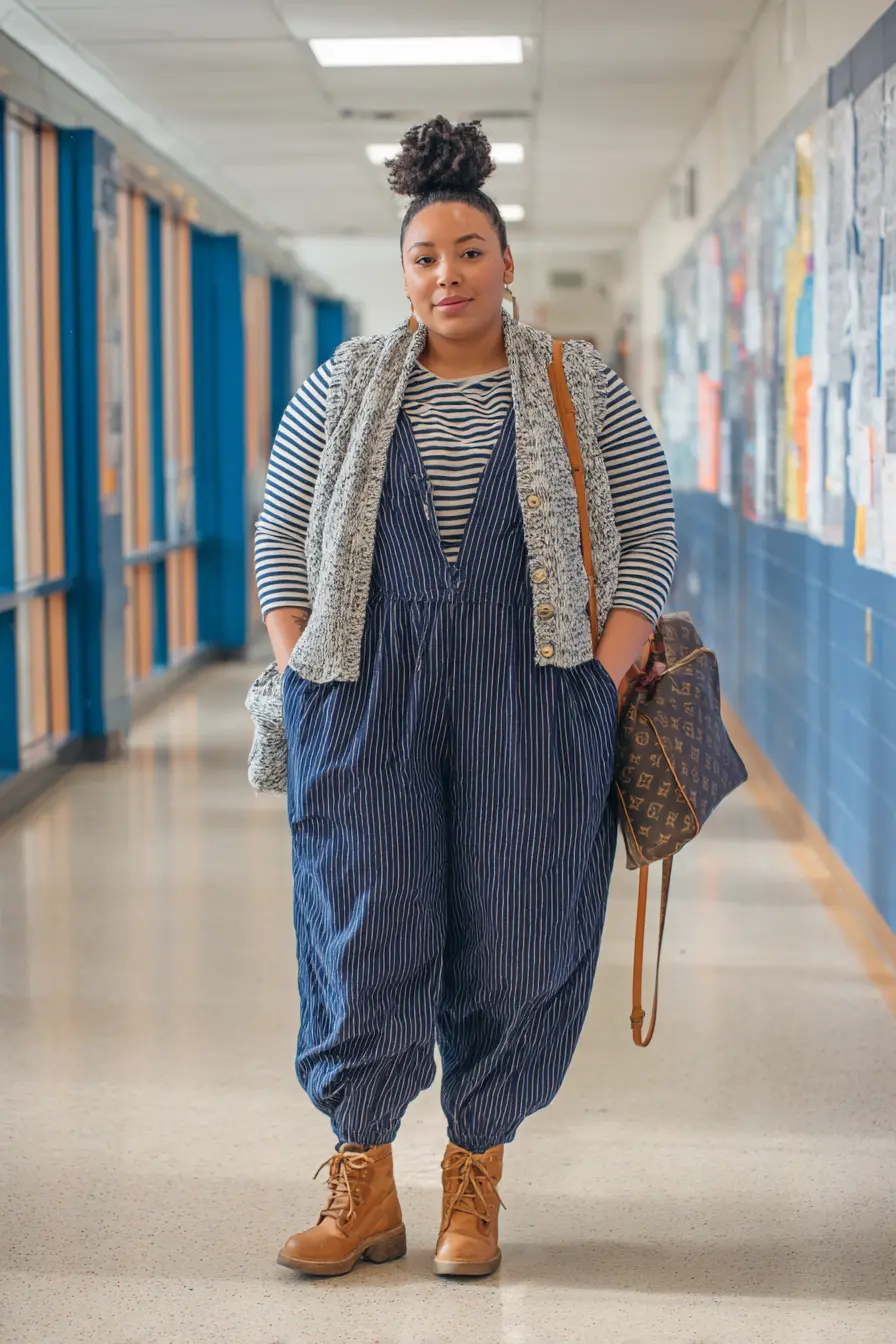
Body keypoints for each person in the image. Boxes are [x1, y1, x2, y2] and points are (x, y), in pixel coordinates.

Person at [250, 116, 677, 1280]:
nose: (448, 274)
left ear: (503, 261)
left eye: (469, 250)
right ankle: (361, 1184)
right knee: (360, 922)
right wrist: (300, 664)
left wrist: (605, 665)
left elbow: (647, 530)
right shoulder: (341, 385)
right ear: (403, 273)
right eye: (426, 256)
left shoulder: (575, 379)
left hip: (535, 695)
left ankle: (474, 1179)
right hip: (363, 694)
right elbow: (280, 534)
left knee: (520, 930)